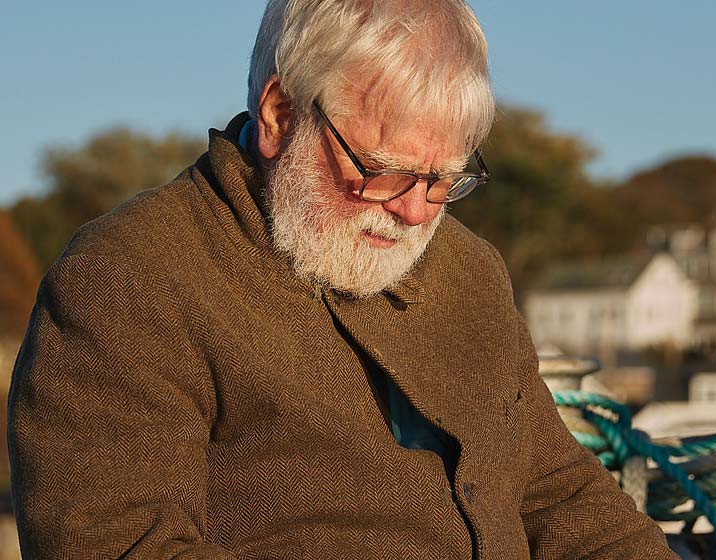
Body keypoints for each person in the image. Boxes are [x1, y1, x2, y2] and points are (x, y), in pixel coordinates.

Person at [8, 1, 676, 558]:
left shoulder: (472, 271)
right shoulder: (131, 275)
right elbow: (117, 545)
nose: (416, 211)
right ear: (279, 115)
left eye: (444, 179)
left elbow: (556, 491)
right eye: (383, 170)